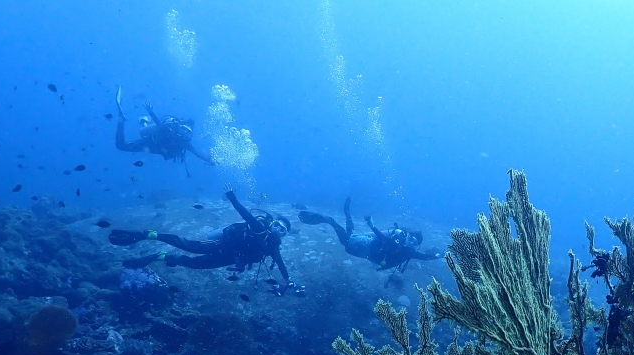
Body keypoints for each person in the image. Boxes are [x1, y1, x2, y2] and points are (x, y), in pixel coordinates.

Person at [109, 184, 299, 291]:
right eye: (277, 225)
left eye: (282, 230)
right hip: (223, 244)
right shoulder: (259, 228)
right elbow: (246, 215)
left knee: (194, 265)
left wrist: (288, 280)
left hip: (229, 258)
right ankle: (150, 235)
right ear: (271, 223)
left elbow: (281, 264)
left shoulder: (273, 245)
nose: (277, 230)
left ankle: (162, 256)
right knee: (189, 246)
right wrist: (232, 198)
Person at [298, 197, 440, 271]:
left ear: (416, 246)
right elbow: (384, 239)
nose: (410, 243)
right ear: (407, 236)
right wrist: (372, 227)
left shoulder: (409, 252)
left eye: (414, 243)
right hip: (363, 245)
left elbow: (424, 257)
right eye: (411, 239)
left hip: (364, 251)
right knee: (347, 239)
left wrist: (439, 255)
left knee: (349, 234)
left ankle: (346, 213)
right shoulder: (396, 241)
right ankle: (331, 220)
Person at [114, 86, 212, 167]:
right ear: (180, 127)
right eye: (184, 129)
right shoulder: (170, 130)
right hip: (149, 143)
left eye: (188, 132)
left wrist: (209, 160)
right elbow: (159, 124)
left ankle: (143, 121)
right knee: (120, 145)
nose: (185, 132)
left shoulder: (185, 143)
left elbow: (197, 153)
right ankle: (121, 119)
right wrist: (150, 111)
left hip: (153, 148)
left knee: (123, 145)